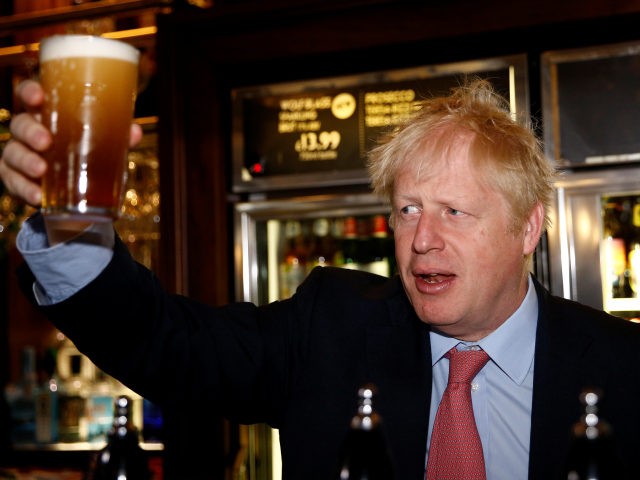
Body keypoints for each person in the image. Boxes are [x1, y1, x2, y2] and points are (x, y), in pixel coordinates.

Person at [2, 77, 640, 480]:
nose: (422, 240)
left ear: (528, 229)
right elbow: (171, 344)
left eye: (454, 211)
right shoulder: (332, 324)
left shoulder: (623, 368)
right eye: (408, 210)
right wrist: (70, 222)